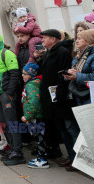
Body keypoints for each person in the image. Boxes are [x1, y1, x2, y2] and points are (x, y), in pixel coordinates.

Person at [34, 29, 79, 171]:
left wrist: (59, 93)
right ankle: (72, 157)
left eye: (45, 38)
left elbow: (63, 75)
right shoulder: (49, 53)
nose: (42, 41)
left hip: (61, 96)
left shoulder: (62, 52)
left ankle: (79, 158)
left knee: (70, 128)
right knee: (62, 129)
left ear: (53, 39)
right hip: (52, 97)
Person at [0, 31, 24, 166]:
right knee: (4, 124)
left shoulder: (6, 53)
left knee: (12, 123)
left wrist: (9, 93)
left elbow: (15, 74)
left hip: (5, 95)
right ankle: (12, 149)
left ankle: (18, 152)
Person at [20, 63, 48, 169]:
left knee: (40, 139)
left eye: (25, 74)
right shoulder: (30, 84)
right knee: (38, 138)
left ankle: (43, 160)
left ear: (31, 74)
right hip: (34, 116)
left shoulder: (32, 85)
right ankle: (40, 157)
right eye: (22, 73)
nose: (22, 75)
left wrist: (27, 116)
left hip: (36, 116)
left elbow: (33, 102)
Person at [65, 29, 94, 106]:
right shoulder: (78, 56)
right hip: (80, 94)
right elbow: (77, 71)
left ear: (90, 40)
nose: (76, 41)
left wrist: (76, 76)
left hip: (92, 96)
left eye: (80, 38)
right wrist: (68, 73)